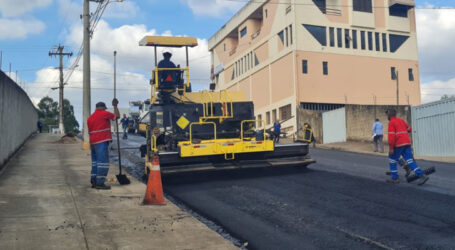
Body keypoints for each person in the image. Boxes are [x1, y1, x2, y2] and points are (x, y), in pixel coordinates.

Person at [386, 109, 428, 185]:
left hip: (398, 144)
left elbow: (391, 137)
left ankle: (395, 178)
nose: (386, 116)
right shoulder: (401, 121)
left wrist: (391, 148)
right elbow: (409, 129)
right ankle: (422, 175)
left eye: (387, 115)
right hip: (407, 143)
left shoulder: (391, 123)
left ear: (389, 115)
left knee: (392, 160)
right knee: (410, 161)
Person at [87, 99, 120, 190]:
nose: (105, 110)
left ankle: (94, 181)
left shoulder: (90, 117)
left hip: (93, 143)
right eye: (105, 108)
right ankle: (100, 183)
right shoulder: (103, 113)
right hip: (101, 142)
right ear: (102, 108)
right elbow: (117, 116)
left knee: (95, 163)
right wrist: (115, 106)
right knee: (103, 163)